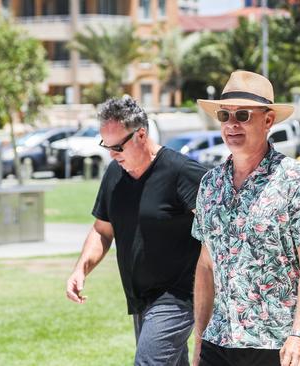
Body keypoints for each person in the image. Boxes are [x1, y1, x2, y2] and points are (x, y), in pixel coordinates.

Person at [191, 70, 300, 366]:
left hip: (279, 342)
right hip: (220, 340)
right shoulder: (210, 184)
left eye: (243, 115)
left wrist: (299, 335)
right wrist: (199, 337)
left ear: (268, 121)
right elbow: (205, 264)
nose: (232, 124)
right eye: (224, 116)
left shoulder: (295, 179)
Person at [65, 96, 207, 365]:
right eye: (106, 146)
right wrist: (80, 269)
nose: (112, 154)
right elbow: (102, 231)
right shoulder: (114, 173)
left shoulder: (181, 172)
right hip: (142, 299)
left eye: (117, 146)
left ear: (141, 135)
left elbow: (218, 229)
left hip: (179, 296)